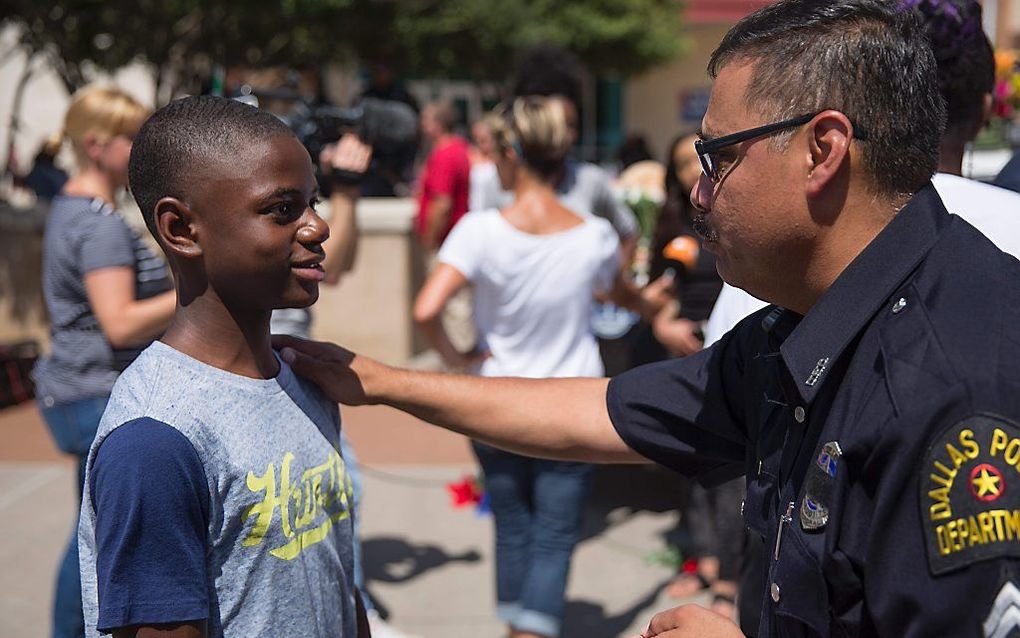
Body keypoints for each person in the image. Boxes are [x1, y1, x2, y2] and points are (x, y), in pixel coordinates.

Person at [275, 1, 1020, 635]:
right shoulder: (815, 325)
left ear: (821, 151)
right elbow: (601, 414)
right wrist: (377, 381)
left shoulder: (950, 386)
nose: (697, 193)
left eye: (718, 157)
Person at [77, 96, 368, 638]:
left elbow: (338, 582)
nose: (318, 227)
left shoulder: (301, 379)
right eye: (282, 210)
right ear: (182, 229)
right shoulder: (154, 442)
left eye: (313, 201)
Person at [413, 97, 620, 638]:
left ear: (510, 152)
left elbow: (426, 309)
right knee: (554, 533)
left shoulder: (480, 231)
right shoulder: (594, 234)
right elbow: (612, 293)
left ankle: (518, 631)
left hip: (495, 400)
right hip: (575, 404)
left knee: (511, 526)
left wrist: (459, 358)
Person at [31, 86, 176, 638]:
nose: (142, 149)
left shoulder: (72, 208)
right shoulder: (98, 224)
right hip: (92, 393)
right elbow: (119, 322)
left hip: (72, 391)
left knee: (90, 528)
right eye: (131, 138)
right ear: (96, 145)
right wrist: (202, 286)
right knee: (95, 535)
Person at [415, 100, 471, 251]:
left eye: (426, 120)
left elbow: (442, 204)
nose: (422, 124)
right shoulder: (459, 147)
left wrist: (429, 241)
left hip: (446, 242)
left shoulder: (445, 155)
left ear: (438, 124)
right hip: (456, 239)